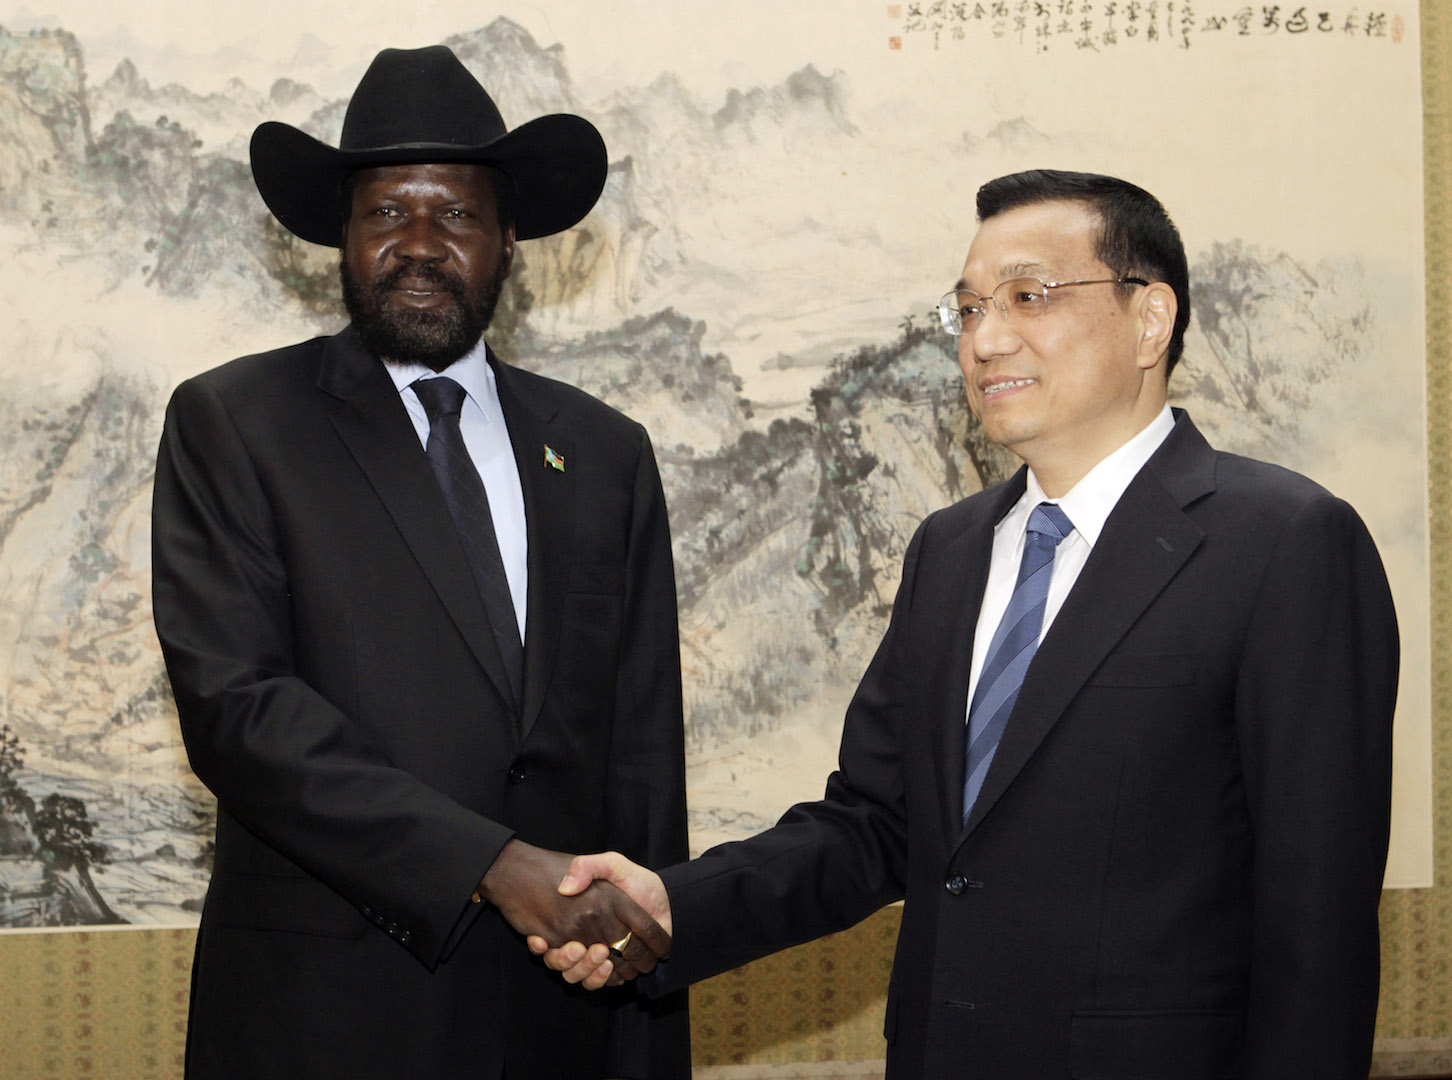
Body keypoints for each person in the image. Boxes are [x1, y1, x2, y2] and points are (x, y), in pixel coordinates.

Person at [538, 169, 1398, 1079]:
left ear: (1150, 320)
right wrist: (671, 905)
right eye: (970, 309)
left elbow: (1318, 923)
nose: (986, 339)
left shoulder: (1283, 543)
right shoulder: (949, 551)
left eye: (1030, 296)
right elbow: (876, 823)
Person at [151, 46, 689, 1079]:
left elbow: (640, 755)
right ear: (343, 238)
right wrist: (491, 864)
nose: (420, 244)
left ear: (508, 240)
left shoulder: (604, 451)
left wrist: (647, 1011)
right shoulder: (236, 423)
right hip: (326, 1021)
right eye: (388, 212)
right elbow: (239, 710)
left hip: (561, 1017)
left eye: (457, 214)